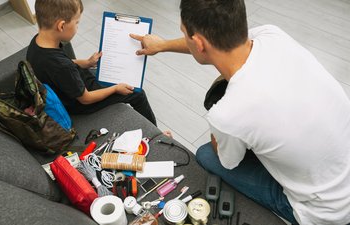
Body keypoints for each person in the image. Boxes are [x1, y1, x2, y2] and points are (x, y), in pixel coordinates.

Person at [130, 0, 350, 224]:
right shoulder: (272, 34)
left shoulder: (228, 114)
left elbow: (229, 161)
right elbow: (215, 43)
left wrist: (222, 132)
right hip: (341, 166)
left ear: (198, 42)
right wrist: (163, 45)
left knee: (207, 155)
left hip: (326, 213)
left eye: (184, 33)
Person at [26, 0, 157, 126]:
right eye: (77, 23)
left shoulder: (38, 42)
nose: (77, 26)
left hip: (69, 86)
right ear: (61, 26)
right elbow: (86, 98)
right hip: (80, 102)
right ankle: (158, 134)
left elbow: (61, 65)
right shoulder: (62, 66)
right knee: (138, 94)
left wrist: (87, 63)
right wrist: (115, 88)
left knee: (107, 71)